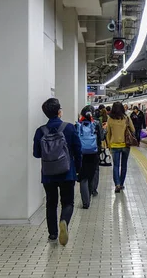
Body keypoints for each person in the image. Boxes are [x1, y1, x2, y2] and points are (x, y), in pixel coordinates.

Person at [33, 98, 82, 246]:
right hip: (67, 172)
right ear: (59, 111)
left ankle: (53, 234)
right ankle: (64, 221)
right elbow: (78, 150)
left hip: (48, 174)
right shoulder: (69, 128)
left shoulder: (40, 131)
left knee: (51, 203)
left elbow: (36, 153)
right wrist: (78, 170)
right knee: (68, 202)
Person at [76, 105, 104, 208]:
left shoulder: (78, 125)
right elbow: (101, 137)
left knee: (83, 177)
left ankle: (85, 202)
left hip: (81, 154)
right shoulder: (96, 123)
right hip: (94, 153)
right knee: (93, 173)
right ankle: (92, 190)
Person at [107, 102, 135, 192]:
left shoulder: (110, 119)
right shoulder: (126, 118)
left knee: (116, 166)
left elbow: (108, 133)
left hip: (114, 145)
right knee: (124, 165)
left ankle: (117, 184)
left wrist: (109, 145)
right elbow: (133, 130)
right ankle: (122, 183)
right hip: (125, 145)